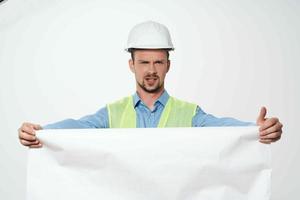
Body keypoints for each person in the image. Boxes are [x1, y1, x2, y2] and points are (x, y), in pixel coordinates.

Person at [18, 21, 283, 148]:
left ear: (168, 65)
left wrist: (255, 130)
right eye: (144, 62)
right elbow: (77, 127)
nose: (151, 71)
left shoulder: (189, 113)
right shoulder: (112, 113)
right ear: (131, 65)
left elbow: (221, 126)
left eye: (158, 62)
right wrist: (42, 131)